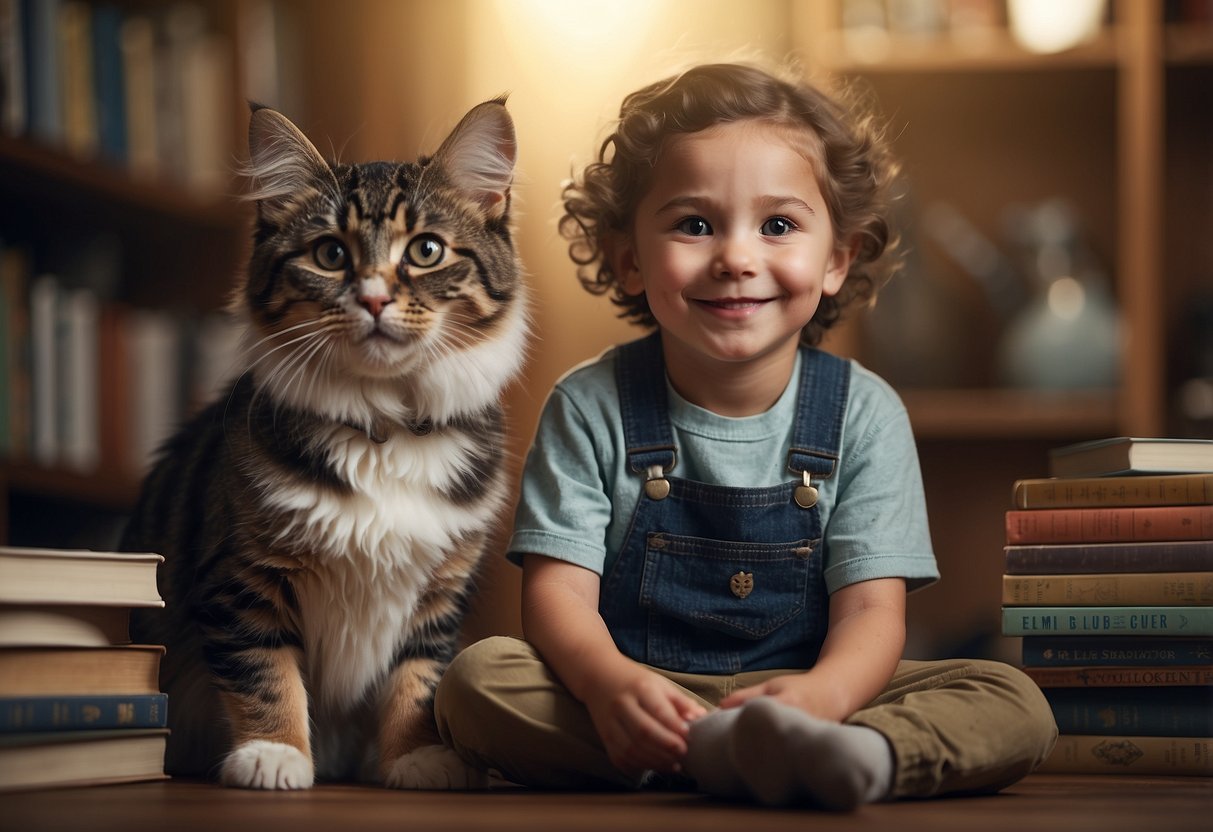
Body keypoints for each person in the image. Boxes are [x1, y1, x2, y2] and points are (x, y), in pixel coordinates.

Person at [433, 61, 1057, 810]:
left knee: (1009, 692)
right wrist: (609, 686)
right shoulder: (588, 404)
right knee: (476, 681)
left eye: (778, 226)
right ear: (628, 258)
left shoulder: (865, 412)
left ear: (836, 259)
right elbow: (557, 598)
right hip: (644, 698)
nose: (735, 257)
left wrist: (823, 699)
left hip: (818, 700)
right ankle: (718, 756)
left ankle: (854, 752)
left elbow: (870, 612)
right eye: (694, 224)